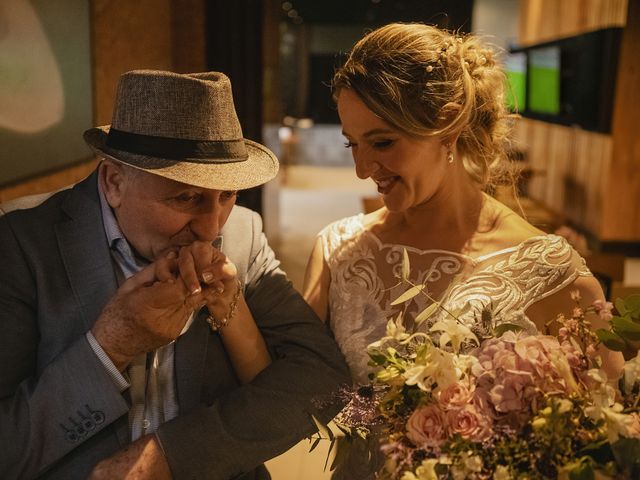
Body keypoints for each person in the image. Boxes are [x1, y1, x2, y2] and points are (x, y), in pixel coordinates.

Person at [302, 24, 622, 475]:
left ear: (448, 127)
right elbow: (289, 394)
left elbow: (605, 442)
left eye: (383, 142)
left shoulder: (552, 273)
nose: (361, 169)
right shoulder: (337, 250)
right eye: (352, 144)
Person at [0, 69, 350, 479]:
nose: (212, 227)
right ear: (114, 181)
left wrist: (171, 455)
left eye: (227, 195)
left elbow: (321, 376)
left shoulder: (245, 232)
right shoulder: (21, 242)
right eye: (186, 196)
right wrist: (111, 344)